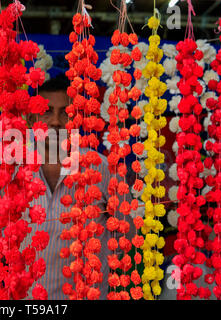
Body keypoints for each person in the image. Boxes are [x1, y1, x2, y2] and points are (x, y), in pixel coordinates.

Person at [23, 74, 135, 300]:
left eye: (65, 112)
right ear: (30, 119)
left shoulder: (100, 168)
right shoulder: (15, 173)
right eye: (47, 111)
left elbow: (128, 232)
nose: (56, 121)